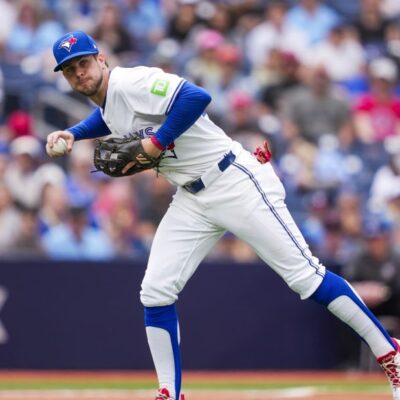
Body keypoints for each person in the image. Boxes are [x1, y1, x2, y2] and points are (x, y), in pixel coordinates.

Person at [46, 31, 400, 400]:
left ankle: (390, 353)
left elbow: (196, 97)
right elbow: (111, 117)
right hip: (192, 198)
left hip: (233, 180)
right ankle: (170, 392)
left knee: (306, 277)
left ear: (101, 60)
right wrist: (74, 133)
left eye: (83, 63)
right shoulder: (111, 100)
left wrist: (158, 140)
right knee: (155, 291)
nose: (79, 74)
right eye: (70, 70)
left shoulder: (130, 80)